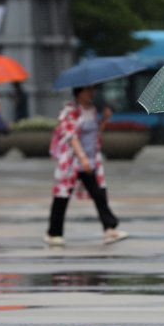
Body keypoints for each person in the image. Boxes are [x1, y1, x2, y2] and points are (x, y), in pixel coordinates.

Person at [45, 85, 127, 246]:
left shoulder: (93, 110)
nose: (91, 93)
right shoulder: (69, 112)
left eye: (92, 90)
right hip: (71, 161)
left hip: (91, 159)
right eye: (87, 90)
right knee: (62, 196)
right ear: (79, 93)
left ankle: (109, 228)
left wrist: (104, 119)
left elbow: (96, 133)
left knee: (99, 194)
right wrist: (82, 158)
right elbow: (71, 137)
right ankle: (53, 233)